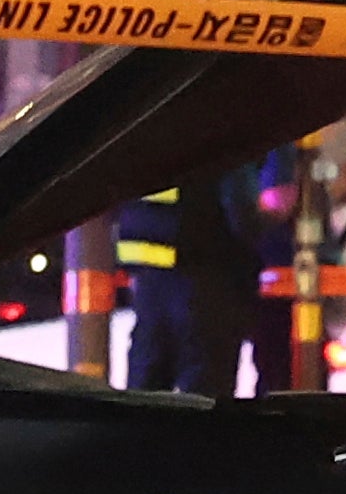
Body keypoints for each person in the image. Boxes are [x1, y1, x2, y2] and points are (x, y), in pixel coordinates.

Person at [115, 151, 275, 396]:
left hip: (150, 281)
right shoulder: (217, 137)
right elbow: (242, 214)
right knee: (205, 396)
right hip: (209, 278)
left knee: (145, 392)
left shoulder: (148, 140)